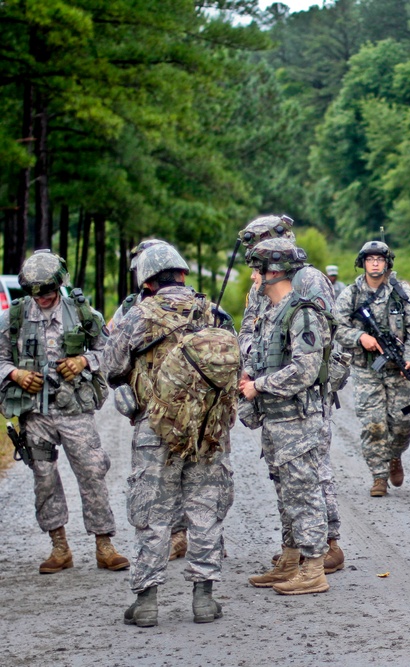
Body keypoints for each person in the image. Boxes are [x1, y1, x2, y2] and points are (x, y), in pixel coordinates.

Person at [104, 243, 234, 627]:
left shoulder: (137, 314)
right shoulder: (214, 312)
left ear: (146, 280)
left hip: (154, 428)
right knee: (205, 512)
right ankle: (204, 600)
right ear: (182, 274)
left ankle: (146, 602)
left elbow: (112, 366)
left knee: (152, 514)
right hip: (208, 429)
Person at [0, 250, 129, 574]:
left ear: (59, 286)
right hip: (35, 415)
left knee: (92, 472)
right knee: (44, 478)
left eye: (47, 292)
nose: (42, 298)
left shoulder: (84, 314)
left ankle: (104, 544)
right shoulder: (14, 318)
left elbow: (109, 351)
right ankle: (59, 546)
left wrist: (83, 361)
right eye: (36, 293)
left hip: (75, 411)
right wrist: (15, 374)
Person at [237, 214, 345, 575]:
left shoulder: (306, 280)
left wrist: (270, 379)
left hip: (302, 392)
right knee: (285, 477)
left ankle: (326, 546)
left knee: (311, 472)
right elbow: (251, 327)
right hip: (271, 386)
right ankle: (295, 548)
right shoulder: (263, 284)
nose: (253, 255)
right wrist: (251, 365)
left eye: (259, 244)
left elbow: (319, 340)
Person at [108, 239, 189, 564]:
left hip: (155, 413)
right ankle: (188, 540)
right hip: (197, 412)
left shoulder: (134, 314)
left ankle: (174, 542)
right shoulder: (205, 307)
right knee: (193, 475)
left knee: (158, 482)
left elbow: (112, 363)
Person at [333, 241, 410, 497]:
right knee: (373, 425)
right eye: (370, 259)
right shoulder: (351, 294)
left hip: (397, 368)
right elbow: (336, 327)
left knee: (403, 423)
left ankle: (395, 455)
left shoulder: (401, 291)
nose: (375, 263)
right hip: (366, 369)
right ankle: (379, 476)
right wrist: (360, 337)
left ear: (387, 263)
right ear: (362, 262)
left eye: (379, 259)